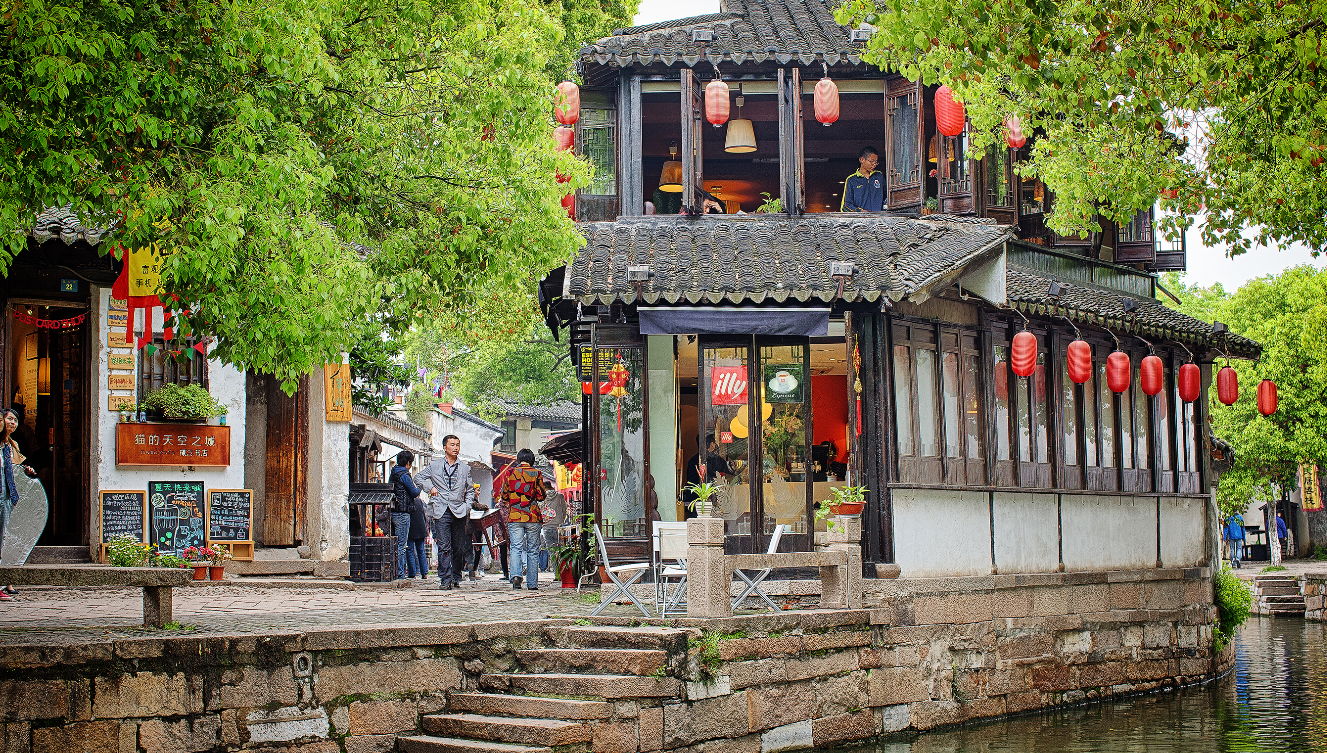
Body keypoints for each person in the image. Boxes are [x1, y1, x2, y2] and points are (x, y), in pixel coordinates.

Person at [417, 435, 486, 590]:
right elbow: (418, 477)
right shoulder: (434, 466)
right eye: (452, 444)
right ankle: (445, 578)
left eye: (458, 445)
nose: (455, 447)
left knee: (458, 547)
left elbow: (469, 490)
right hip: (441, 510)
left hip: (459, 511)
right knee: (444, 546)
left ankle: (456, 576)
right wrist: (430, 488)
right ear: (444, 447)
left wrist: (467, 505)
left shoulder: (465, 468)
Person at [0, 408, 36, 602]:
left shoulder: (12, 444)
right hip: (3, 494)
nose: (12, 423)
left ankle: (7, 581)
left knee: (7, 538)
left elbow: (14, 469)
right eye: (9, 419)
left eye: (15, 420)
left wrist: (26, 470)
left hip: (9, 495)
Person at [500, 449, 547, 590]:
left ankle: (516, 576)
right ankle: (532, 584)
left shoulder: (509, 473)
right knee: (532, 550)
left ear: (519, 459)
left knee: (516, 547)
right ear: (532, 459)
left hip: (514, 516)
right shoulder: (536, 473)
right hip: (532, 516)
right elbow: (541, 496)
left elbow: (504, 496)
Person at [388, 450, 422, 581]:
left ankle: (394, 573)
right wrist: (419, 486)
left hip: (394, 511)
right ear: (408, 463)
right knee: (401, 546)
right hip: (403, 512)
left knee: (395, 544)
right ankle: (400, 574)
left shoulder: (393, 472)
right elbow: (413, 492)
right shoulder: (404, 475)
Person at [682, 434, 731, 519]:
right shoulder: (713, 459)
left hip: (694, 502)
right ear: (712, 444)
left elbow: (690, 482)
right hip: (708, 502)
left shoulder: (692, 460)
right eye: (715, 442)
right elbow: (728, 470)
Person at [840, 146, 884, 212]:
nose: (874, 164)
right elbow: (846, 206)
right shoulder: (852, 180)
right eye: (872, 161)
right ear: (862, 159)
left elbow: (887, 197)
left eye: (876, 162)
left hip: (879, 219)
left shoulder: (879, 176)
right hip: (860, 220)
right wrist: (860, 211)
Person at [407, 481, 430, 579]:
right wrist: (426, 528)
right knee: (421, 550)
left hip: (411, 529)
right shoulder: (421, 502)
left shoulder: (408, 502)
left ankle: (412, 573)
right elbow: (425, 517)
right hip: (421, 529)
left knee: (410, 550)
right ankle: (424, 572)